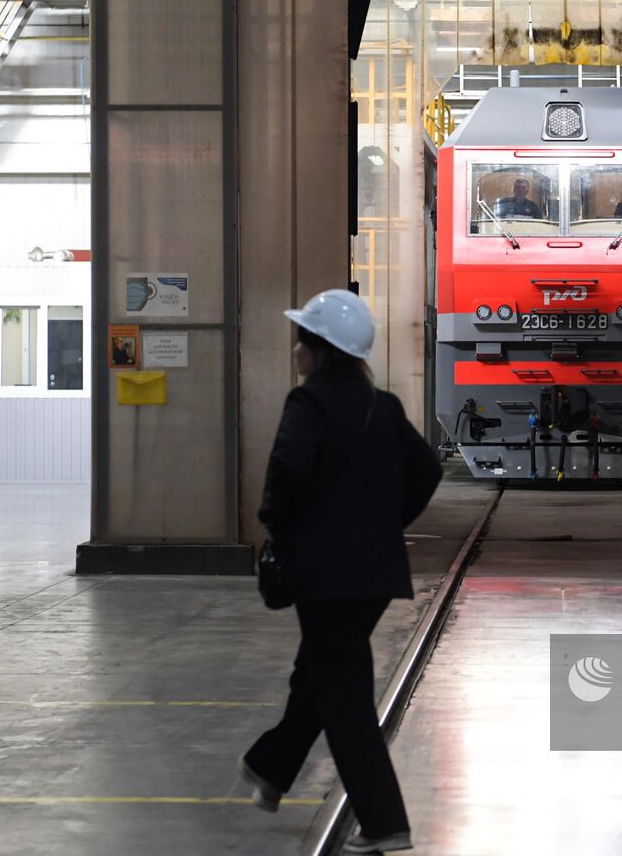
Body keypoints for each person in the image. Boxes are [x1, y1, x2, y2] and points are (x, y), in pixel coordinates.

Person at [239, 289, 442, 855]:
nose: (296, 350)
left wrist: (275, 524)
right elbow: (425, 471)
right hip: (373, 575)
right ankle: (270, 768)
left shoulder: (308, 405)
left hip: (324, 576)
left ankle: (384, 823)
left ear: (319, 349)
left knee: (345, 701)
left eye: (302, 340)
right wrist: (385, 523)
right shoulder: (385, 406)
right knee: (320, 672)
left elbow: (286, 473)